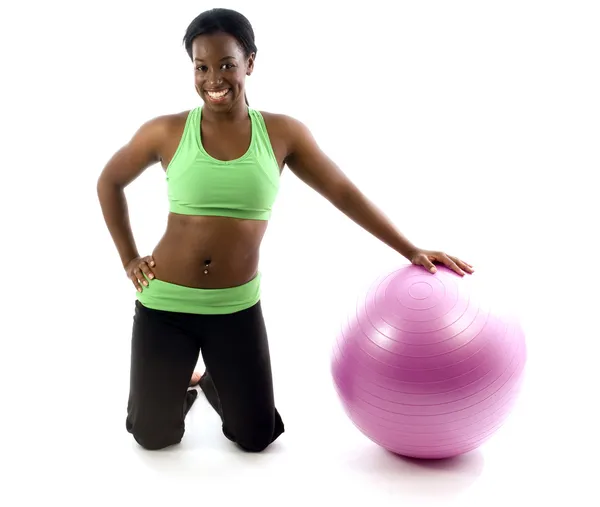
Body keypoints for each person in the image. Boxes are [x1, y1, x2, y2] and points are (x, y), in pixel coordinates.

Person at [96, 8, 474, 453]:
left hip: (234, 308)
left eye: (226, 65)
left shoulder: (280, 133)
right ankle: (175, 386)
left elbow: (342, 191)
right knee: (153, 437)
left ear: (250, 63)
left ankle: (214, 377)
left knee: (256, 437)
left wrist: (409, 248)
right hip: (165, 305)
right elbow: (110, 181)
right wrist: (128, 257)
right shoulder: (165, 130)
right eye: (201, 67)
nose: (213, 79)